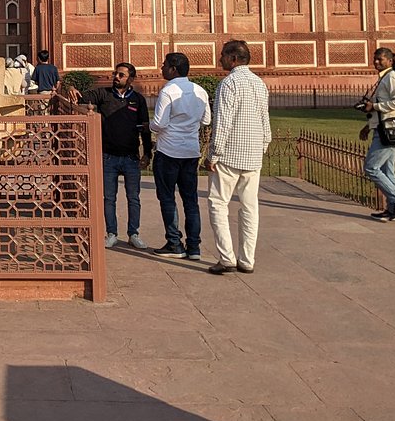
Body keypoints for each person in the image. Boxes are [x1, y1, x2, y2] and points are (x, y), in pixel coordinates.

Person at [206, 40, 270, 275]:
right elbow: (265, 121)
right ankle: (247, 260)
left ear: (233, 59)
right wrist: (262, 147)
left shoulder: (229, 83)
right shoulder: (259, 83)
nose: (220, 59)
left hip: (230, 156)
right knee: (250, 208)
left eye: (223, 55)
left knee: (218, 204)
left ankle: (227, 258)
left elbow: (222, 123)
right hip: (253, 156)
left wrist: (213, 154)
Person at [71, 63, 153, 249]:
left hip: (131, 156)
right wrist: (71, 88)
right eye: (115, 73)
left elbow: (145, 130)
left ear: (130, 79)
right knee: (109, 198)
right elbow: (82, 96)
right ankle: (112, 233)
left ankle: (134, 233)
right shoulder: (104, 94)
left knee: (133, 198)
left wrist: (147, 153)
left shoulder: (138, 100)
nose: (116, 77)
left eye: (121, 75)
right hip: (109, 157)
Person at [149, 53, 212, 261]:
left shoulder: (168, 90)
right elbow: (206, 120)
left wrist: (148, 125)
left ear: (173, 69)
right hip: (191, 151)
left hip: (169, 151)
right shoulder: (200, 91)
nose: (162, 67)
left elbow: (159, 123)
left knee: (168, 198)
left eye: (164, 64)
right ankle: (194, 247)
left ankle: (175, 243)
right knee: (190, 200)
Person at [361, 47, 395, 222]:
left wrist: (374, 107)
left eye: (380, 59)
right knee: (387, 170)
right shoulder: (384, 77)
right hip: (383, 127)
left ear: (390, 61)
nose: (376, 62)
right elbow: (382, 107)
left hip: (388, 130)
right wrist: (368, 126)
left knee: (371, 167)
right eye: (375, 59)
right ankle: (393, 210)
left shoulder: (392, 77)